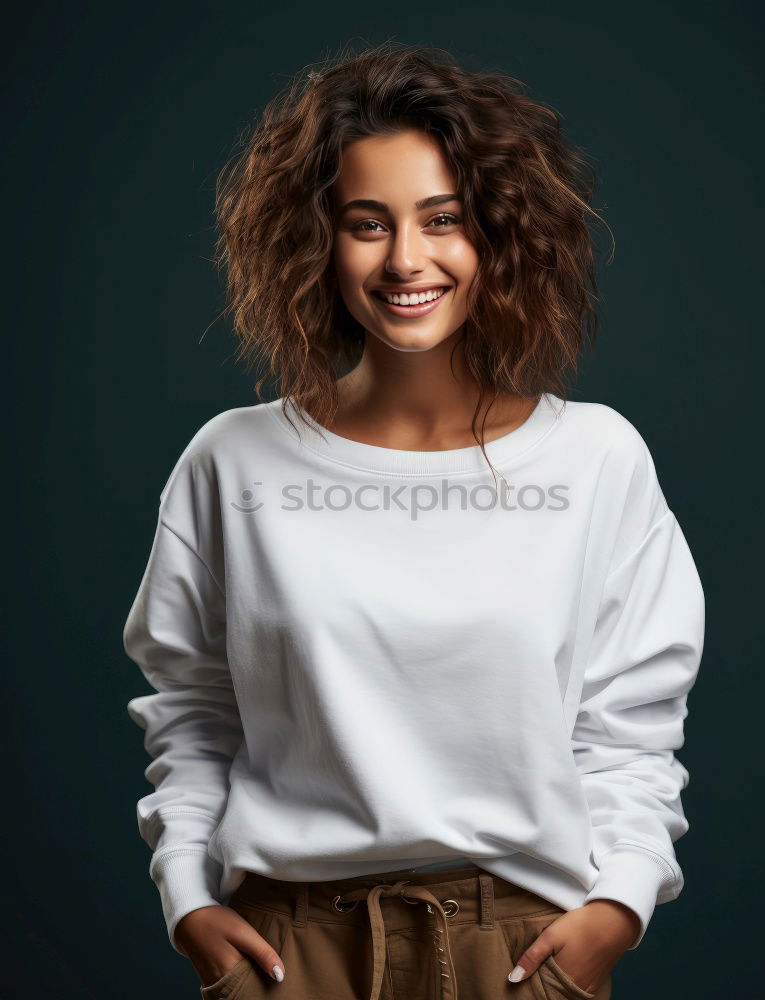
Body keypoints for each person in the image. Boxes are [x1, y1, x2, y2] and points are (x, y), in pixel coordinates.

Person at [123, 42, 705, 1000]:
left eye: (443, 220)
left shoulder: (595, 458)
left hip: (519, 951)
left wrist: (622, 903)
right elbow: (193, 710)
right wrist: (185, 892)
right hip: (288, 950)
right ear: (318, 242)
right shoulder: (233, 461)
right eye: (367, 223)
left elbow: (631, 723)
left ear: (500, 237)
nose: (406, 259)